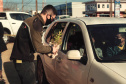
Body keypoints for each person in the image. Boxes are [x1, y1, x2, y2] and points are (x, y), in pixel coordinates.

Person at [10, 5, 57, 84]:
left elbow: (33, 42)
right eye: (52, 18)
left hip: (21, 59)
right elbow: (38, 48)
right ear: (48, 15)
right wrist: (52, 49)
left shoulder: (32, 20)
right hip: (24, 61)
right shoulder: (37, 24)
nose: (52, 20)